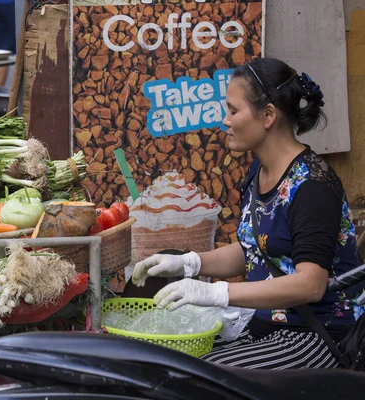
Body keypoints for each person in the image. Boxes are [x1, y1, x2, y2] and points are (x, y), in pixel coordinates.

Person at [132, 57, 365, 370]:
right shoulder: (259, 171)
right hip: (265, 326)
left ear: (268, 115)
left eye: (233, 110)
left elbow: (310, 284)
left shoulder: (312, 185)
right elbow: (253, 250)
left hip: (314, 335)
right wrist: (190, 262)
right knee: (165, 356)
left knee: (199, 377)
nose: (225, 121)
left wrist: (216, 292)